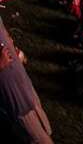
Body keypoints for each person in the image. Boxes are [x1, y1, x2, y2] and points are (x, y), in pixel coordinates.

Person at [0, 15, 54, 143]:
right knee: (36, 138)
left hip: (23, 83)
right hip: (14, 98)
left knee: (45, 130)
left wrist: (10, 43)